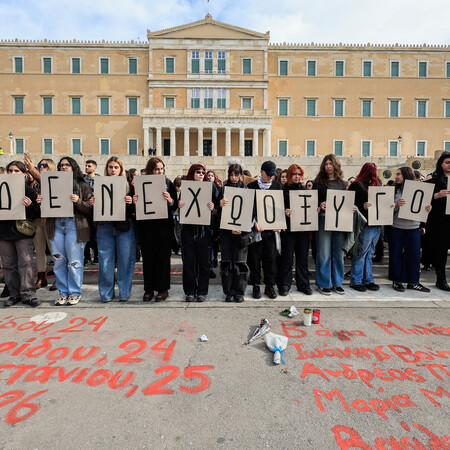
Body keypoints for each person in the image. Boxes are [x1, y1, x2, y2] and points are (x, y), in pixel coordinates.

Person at [40, 157, 93, 306]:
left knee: (74, 261)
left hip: (74, 226)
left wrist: (78, 201)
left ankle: (75, 292)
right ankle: (63, 292)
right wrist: (41, 201)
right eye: (61, 165)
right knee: (58, 261)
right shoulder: (52, 185)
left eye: (67, 165)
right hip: (56, 225)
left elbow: (90, 208)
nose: (64, 167)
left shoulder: (82, 185)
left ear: (73, 167)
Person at [91, 157, 136, 302]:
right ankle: (106, 294)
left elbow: (137, 210)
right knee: (105, 262)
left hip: (124, 227)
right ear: (107, 168)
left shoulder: (129, 186)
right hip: (105, 226)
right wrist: (94, 203)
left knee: (125, 261)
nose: (113, 170)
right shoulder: (99, 184)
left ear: (121, 169)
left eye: (116, 167)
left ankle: (124, 293)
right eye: (110, 167)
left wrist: (131, 203)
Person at [134, 157, 177, 302]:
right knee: (149, 259)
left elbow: (175, 206)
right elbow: (137, 205)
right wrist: (135, 200)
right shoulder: (141, 184)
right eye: (157, 169)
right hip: (147, 227)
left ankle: (163, 288)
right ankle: (149, 289)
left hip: (164, 227)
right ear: (151, 170)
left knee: (163, 259)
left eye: (162, 169)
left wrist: (170, 200)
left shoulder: (168, 183)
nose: (160, 171)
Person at [0, 161, 41, 307]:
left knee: (26, 263)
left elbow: (36, 214)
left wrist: (30, 206)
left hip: (22, 233)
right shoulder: (1, 188)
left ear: (24, 174)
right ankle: (14, 294)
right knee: (8, 265)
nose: (13, 173)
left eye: (17, 171)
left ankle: (28, 294)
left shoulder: (29, 191)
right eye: (10, 170)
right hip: (4, 233)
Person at [386, 167, 431, 293]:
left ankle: (413, 282)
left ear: (406, 175)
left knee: (414, 255)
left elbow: (422, 208)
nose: (396, 176)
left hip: (413, 228)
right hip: (396, 227)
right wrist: (396, 206)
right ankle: (396, 281)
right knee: (395, 254)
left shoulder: (419, 189)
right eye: (396, 174)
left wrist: (427, 209)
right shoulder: (394, 190)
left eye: (399, 174)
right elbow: (387, 211)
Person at [178, 164, 219, 302]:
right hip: (188, 230)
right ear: (192, 173)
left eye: (203, 172)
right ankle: (190, 291)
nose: (201, 174)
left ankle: (202, 291)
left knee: (203, 263)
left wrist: (213, 208)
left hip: (204, 231)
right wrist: (180, 206)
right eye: (198, 172)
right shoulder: (186, 187)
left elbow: (217, 208)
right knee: (189, 263)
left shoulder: (211, 187)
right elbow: (180, 210)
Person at [313, 154, 348, 295]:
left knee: (338, 253)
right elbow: (312, 200)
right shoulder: (318, 182)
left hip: (339, 220)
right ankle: (324, 282)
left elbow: (346, 201)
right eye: (326, 164)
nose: (328, 166)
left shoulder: (342, 183)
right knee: (323, 252)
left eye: (330, 164)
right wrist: (319, 204)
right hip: (323, 219)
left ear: (335, 165)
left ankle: (337, 282)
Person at [247, 161, 282, 299]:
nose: (271, 177)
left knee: (270, 259)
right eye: (268, 175)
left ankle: (270, 285)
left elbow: (279, 206)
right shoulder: (251, 187)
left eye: (273, 175)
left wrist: (279, 222)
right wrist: (254, 221)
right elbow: (248, 208)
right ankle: (256, 285)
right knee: (255, 259)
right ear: (261, 172)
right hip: (256, 230)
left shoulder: (277, 186)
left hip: (271, 230)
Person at [24, 156, 58, 291]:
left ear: (51, 167)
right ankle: (41, 277)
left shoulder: (55, 180)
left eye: (45, 165)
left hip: (51, 220)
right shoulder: (36, 183)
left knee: (54, 249)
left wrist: (32, 169)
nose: (41, 167)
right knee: (39, 250)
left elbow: (46, 183)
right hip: (37, 219)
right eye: (40, 166)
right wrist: (29, 182)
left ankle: (58, 277)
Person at [278, 164, 312, 296]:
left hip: (303, 229)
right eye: (294, 174)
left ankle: (303, 284)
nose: (297, 176)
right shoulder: (282, 190)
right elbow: (275, 209)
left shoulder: (305, 191)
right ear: (290, 175)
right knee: (287, 258)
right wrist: (283, 212)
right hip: (288, 229)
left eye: (299, 174)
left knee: (302, 258)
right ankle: (285, 284)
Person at [348, 163, 381, 292]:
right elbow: (350, 203)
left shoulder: (375, 187)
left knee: (369, 253)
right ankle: (356, 280)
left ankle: (367, 279)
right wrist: (362, 206)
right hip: (366, 224)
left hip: (376, 223)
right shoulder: (357, 185)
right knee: (362, 253)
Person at [219, 164, 249, 302]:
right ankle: (229, 291)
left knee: (240, 262)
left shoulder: (246, 190)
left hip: (240, 233)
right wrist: (220, 205)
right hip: (226, 232)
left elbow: (250, 213)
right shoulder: (222, 190)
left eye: (236, 175)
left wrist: (242, 228)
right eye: (231, 175)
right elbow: (217, 215)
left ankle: (240, 291)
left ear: (241, 175)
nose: (234, 178)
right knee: (227, 262)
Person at [425, 151, 450, 291]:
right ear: (441, 164)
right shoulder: (433, 181)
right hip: (440, 222)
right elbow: (420, 200)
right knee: (441, 252)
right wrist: (437, 195)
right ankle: (441, 280)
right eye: (447, 162)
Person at [84, 160, 99, 264]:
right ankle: (86, 256)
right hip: (85, 209)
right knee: (86, 234)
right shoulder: (82, 180)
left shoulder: (100, 179)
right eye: (86, 165)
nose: (87, 167)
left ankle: (97, 255)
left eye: (89, 166)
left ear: (94, 168)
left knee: (96, 234)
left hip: (96, 210)